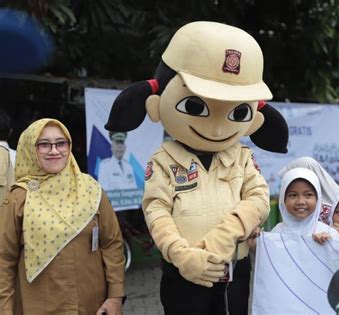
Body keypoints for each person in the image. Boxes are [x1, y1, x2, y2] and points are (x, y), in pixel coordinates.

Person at [104, 21, 289, 315]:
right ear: (156, 103)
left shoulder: (242, 157)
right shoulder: (163, 160)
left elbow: (258, 198)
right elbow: (157, 210)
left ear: (254, 118)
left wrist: (225, 234)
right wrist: (182, 256)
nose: (216, 128)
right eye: (195, 106)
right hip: (182, 273)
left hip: (232, 270)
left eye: (237, 111)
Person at [0, 118, 125, 314]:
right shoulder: (19, 198)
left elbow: (112, 244)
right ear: (30, 148)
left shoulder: (91, 190)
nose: (54, 150)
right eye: (44, 144)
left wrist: (115, 297)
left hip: (92, 306)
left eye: (61, 143)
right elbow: (4, 260)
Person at [276, 156, 339, 225]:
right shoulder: (279, 229)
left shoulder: (326, 218)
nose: (301, 202)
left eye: (308, 195)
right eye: (293, 195)